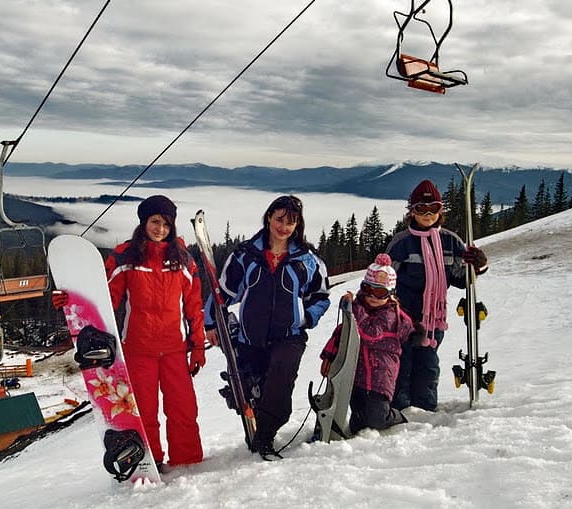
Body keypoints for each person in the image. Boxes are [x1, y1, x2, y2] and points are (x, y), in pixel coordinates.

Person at [53, 195, 206, 467]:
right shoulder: (126, 256)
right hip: (138, 350)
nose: (160, 229)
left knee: (183, 409)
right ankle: (151, 460)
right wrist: (72, 300)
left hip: (174, 348)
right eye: (155, 222)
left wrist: (197, 346)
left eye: (166, 224)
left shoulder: (182, 260)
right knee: (144, 412)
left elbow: (194, 305)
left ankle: (188, 463)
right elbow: (103, 298)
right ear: (144, 222)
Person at [204, 195, 330, 460]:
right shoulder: (246, 255)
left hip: (289, 336)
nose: (284, 227)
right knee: (254, 389)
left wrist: (307, 318)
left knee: (280, 384)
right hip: (251, 337)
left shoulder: (307, 260)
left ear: (298, 225)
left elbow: (320, 296)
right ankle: (256, 428)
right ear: (269, 217)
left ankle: (265, 438)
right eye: (279, 219)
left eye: (290, 222)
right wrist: (212, 322)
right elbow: (222, 293)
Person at [385, 180, 488, 411]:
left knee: (427, 368)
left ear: (441, 211)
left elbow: (462, 279)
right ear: (412, 211)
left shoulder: (450, 242)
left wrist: (478, 266)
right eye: (421, 208)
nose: (428, 214)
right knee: (401, 367)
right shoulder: (402, 243)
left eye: (434, 208)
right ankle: (398, 412)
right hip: (402, 319)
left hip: (433, 321)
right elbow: (386, 279)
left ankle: (424, 412)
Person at [320, 254, 414, 434]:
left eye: (379, 292)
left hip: (380, 375)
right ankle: (358, 428)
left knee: (377, 417)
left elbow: (369, 334)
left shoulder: (390, 314)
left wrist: (354, 308)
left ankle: (396, 417)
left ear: (390, 294)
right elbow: (342, 333)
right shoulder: (360, 310)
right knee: (359, 417)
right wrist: (329, 355)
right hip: (357, 374)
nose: (372, 296)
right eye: (368, 289)